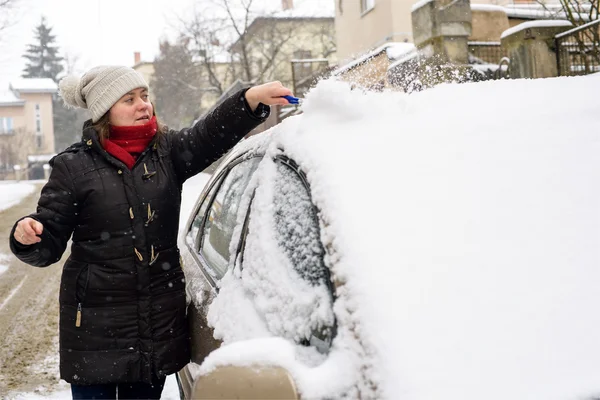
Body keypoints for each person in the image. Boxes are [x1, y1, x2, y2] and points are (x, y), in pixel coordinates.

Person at [9, 65, 293, 399]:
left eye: (144, 96)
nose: (143, 104)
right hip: (94, 331)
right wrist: (28, 235)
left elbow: (208, 133)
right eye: (129, 99)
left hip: (154, 330)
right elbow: (49, 241)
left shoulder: (167, 153)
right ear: (104, 111)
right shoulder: (73, 167)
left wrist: (248, 100)